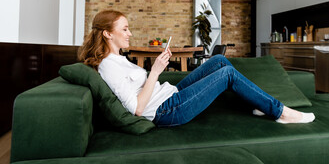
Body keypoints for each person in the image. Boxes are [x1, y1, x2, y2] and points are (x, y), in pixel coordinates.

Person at [78, 10, 315, 127]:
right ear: (108, 33)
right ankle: (280, 112)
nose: (130, 33)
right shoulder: (108, 66)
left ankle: (259, 104)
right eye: (125, 29)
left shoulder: (118, 59)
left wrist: (157, 72)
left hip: (171, 95)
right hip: (166, 111)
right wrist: (157, 71)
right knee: (227, 74)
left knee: (218, 62)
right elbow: (138, 109)